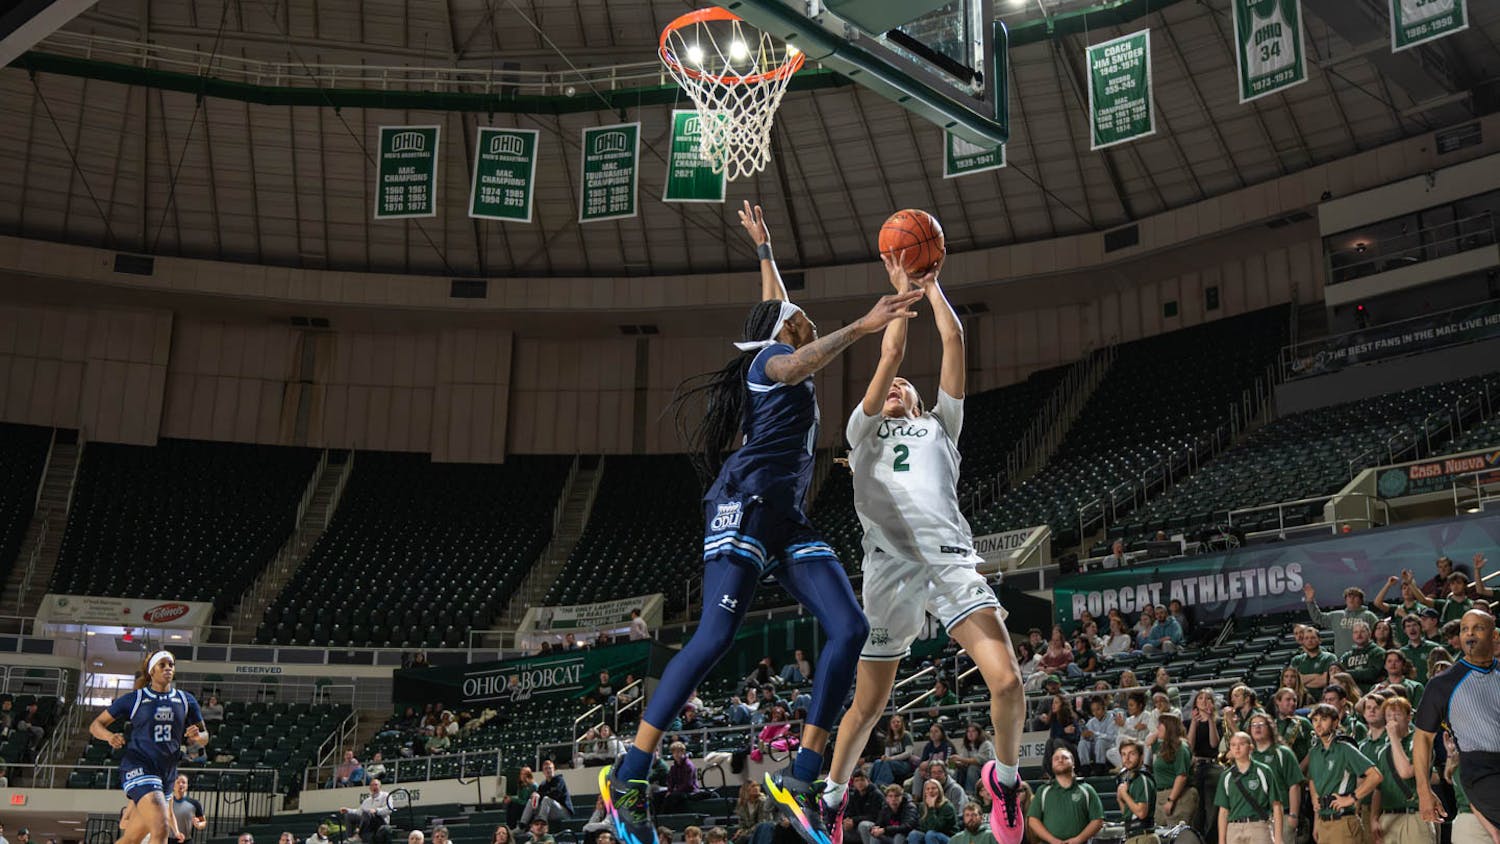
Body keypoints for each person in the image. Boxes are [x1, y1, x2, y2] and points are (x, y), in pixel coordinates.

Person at [605, 201, 915, 844]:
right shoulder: (770, 362)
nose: (805, 315)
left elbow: (777, 304)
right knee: (715, 638)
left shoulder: (780, 334)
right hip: (742, 503)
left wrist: (766, 249)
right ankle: (631, 774)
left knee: (849, 625)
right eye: (798, 317)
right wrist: (863, 324)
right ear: (783, 330)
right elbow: (797, 356)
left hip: (785, 516)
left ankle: (802, 778)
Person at [816, 250, 1024, 844]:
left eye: (905, 388)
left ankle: (1004, 783)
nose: (896, 387)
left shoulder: (942, 427)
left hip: (948, 564)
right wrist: (901, 290)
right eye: (889, 387)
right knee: (869, 705)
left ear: (917, 403)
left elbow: (953, 339)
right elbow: (892, 352)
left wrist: (931, 287)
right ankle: (831, 799)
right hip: (887, 573)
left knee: (1007, 683)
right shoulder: (861, 432)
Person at [90, 651, 209, 844]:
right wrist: (109, 736)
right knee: (161, 828)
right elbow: (96, 725)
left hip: (167, 773)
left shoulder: (186, 700)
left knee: (131, 838)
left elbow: (205, 737)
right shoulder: (135, 699)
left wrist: (198, 736)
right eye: (162, 665)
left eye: (171, 664)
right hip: (139, 766)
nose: (168, 668)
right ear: (152, 671)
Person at [1413, 610, 1500, 837]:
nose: (1470, 633)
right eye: (1464, 629)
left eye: (1478, 628)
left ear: (1495, 636)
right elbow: (1422, 737)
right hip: (1481, 771)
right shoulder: (1443, 683)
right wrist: (1424, 790)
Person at [1306, 704, 1382, 844]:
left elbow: (1375, 776)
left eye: (1323, 719)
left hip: (1343, 822)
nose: (1318, 724)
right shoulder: (1315, 752)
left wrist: (1351, 798)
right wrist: (1315, 808)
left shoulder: (1345, 748)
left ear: (1335, 722)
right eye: (1315, 720)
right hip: (1323, 822)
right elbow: (1313, 781)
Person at [1370, 697, 1432, 844]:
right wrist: (1373, 818)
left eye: (1397, 715)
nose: (1393, 720)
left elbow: (1406, 772)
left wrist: (1393, 738)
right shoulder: (1383, 750)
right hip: (1388, 817)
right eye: (1388, 716)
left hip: (1415, 816)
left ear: (1409, 717)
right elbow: (1378, 788)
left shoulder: (1420, 741)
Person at [1214, 731, 1284, 844]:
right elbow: (1223, 811)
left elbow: (1276, 805)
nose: (1237, 748)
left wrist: (1279, 838)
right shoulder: (1226, 776)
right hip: (1234, 827)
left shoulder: (1264, 771)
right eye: (1233, 745)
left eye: (1241, 744)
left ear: (1250, 747)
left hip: (1259, 826)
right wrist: (1221, 841)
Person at [1024, 747, 1102, 844]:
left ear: (1073, 763)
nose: (1060, 760)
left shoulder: (1087, 790)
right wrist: (1053, 840)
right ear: (1052, 765)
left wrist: (1078, 839)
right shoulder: (1043, 791)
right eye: (1056, 759)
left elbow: (1097, 820)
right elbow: (1033, 820)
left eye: (1065, 758)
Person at [1245, 714, 1301, 844]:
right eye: (1253, 725)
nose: (1257, 728)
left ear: (1270, 728)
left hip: (1282, 815)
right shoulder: (1249, 756)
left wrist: (1293, 815)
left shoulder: (1283, 753)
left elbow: (1294, 785)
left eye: (1261, 725)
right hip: (1256, 819)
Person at [1304, 585, 1380, 656]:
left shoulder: (1369, 616)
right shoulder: (1336, 615)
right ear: (1345, 600)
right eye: (1349, 596)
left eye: (1355, 596)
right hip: (1341, 659)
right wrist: (1310, 601)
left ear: (1361, 600)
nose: (1351, 599)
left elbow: (1379, 635)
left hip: (1364, 657)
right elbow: (1318, 618)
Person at [1152, 712, 1196, 826]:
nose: (1157, 727)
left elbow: (1181, 776)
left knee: (1177, 835)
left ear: (1169, 727)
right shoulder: (1164, 747)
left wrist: (1171, 800)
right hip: (1162, 795)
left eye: (1160, 724)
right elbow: (1149, 743)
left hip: (1178, 797)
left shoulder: (1181, 747)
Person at [1115, 739, 1156, 844]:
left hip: (1143, 837)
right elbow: (1127, 814)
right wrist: (1120, 799)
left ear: (1141, 757)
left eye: (1131, 754)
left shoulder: (1142, 779)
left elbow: (1141, 813)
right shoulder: (1130, 780)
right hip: (1132, 836)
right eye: (1123, 754)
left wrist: (1124, 794)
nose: (1127, 758)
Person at [869, 715, 918, 787]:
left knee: (887, 763)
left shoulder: (906, 735)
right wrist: (885, 757)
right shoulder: (889, 738)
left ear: (902, 724)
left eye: (898, 722)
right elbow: (887, 755)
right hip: (892, 763)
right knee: (877, 762)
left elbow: (908, 753)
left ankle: (882, 785)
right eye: (893, 722)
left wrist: (891, 758)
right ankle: (872, 784)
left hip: (905, 764)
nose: (896, 724)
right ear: (890, 725)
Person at [523, 760, 573, 825]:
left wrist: (540, 795)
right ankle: (522, 825)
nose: (548, 770)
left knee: (547, 799)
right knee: (531, 801)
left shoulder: (559, 780)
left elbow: (555, 795)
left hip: (564, 812)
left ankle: (542, 824)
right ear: (543, 772)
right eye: (546, 769)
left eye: (550, 768)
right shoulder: (543, 785)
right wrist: (535, 795)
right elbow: (538, 797)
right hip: (549, 812)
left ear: (554, 769)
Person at [909, 779, 958, 844]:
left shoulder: (947, 807)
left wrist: (931, 808)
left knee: (930, 834)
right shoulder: (922, 806)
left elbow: (936, 828)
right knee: (914, 834)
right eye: (927, 789)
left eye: (933, 788)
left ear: (939, 790)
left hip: (949, 838)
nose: (930, 791)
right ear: (925, 792)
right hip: (930, 835)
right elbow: (922, 827)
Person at [1339, 622, 1386, 690]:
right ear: (1352, 635)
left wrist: (1347, 673)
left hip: (1372, 691)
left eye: (1362, 631)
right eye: (1356, 632)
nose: (1359, 635)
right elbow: (1340, 675)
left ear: (1369, 634)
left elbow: (1372, 674)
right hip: (1350, 693)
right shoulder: (1347, 656)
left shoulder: (1378, 652)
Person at [952, 723, 996, 795]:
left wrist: (960, 759)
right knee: (959, 770)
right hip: (974, 768)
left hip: (988, 770)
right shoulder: (967, 745)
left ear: (979, 733)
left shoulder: (986, 744)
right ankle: (957, 793)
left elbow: (979, 761)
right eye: (968, 732)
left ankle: (971, 794)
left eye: (973, 731)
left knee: (973, 768)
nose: (970, 734)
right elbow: (964, 761)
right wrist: (956, 763)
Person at [1291, 626, 1335, 691]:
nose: (1310, 640)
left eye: (1313, 638)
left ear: (1320, 640)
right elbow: (1293, 682)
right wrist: (1316, 676)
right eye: (1306, 638)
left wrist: (1303, 681)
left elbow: (1325, 680)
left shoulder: (1329, 657)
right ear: (1303, 641)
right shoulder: (1296, 660)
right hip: (1302, 699)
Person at [843, 771, 883, 843]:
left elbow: (874, 816)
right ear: (853, 784)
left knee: (863, 825)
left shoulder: (876, 795)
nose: (859, 783)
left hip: (875, 825)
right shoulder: (854, 795)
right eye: (857, 781)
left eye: (862, 780)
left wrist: (854, 820)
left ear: (868, 781)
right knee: (840, 826)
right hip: (857, 823)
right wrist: (847, 820)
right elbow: (850, 811)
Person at [170, 774, 207, 844]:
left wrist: (199, 825)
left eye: (183, 782)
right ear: (173, 785)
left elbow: (203, 822)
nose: (180, 784)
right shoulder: (167, 802)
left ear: (187, 786)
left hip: (186, 840)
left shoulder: (195, 803)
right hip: (168, 840)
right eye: (178, 782)